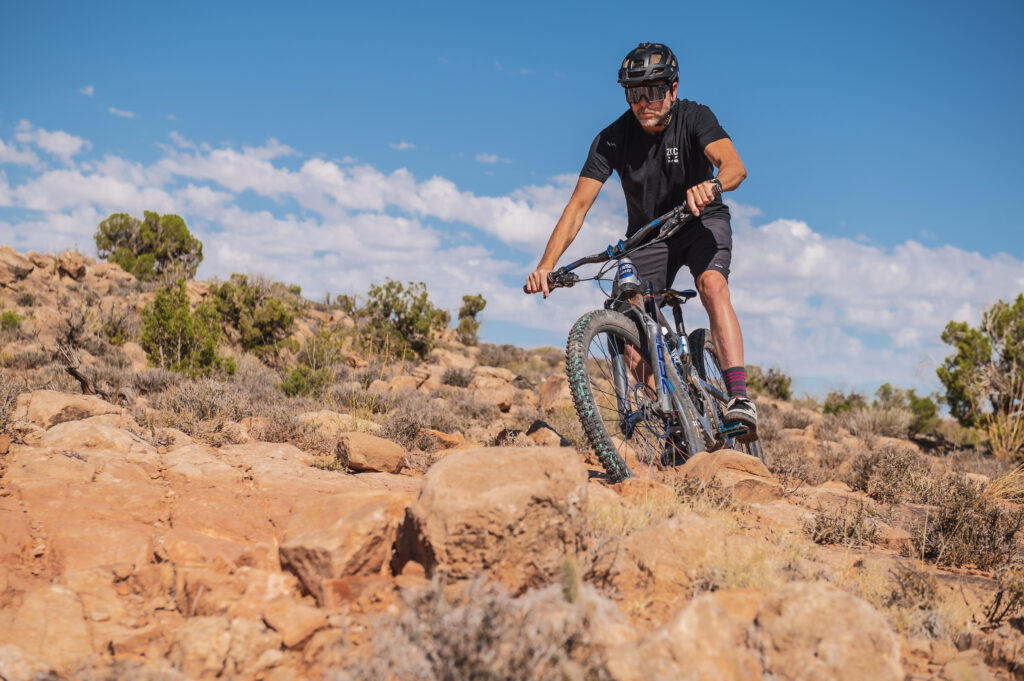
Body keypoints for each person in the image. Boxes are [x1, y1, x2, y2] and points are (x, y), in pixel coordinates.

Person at [524, 41, 756, 432]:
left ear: (673, 89)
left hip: (701, 219)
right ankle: (675, 422)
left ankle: (738, 397)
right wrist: (546, 265)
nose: (643, 102)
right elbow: (577, 207)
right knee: (625, 318)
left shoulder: (696, 117)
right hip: (650, 236)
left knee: (712, 284)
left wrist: (713, 187)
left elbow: (735, 167)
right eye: (634, 93)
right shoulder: (612, 138)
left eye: (652, 91)